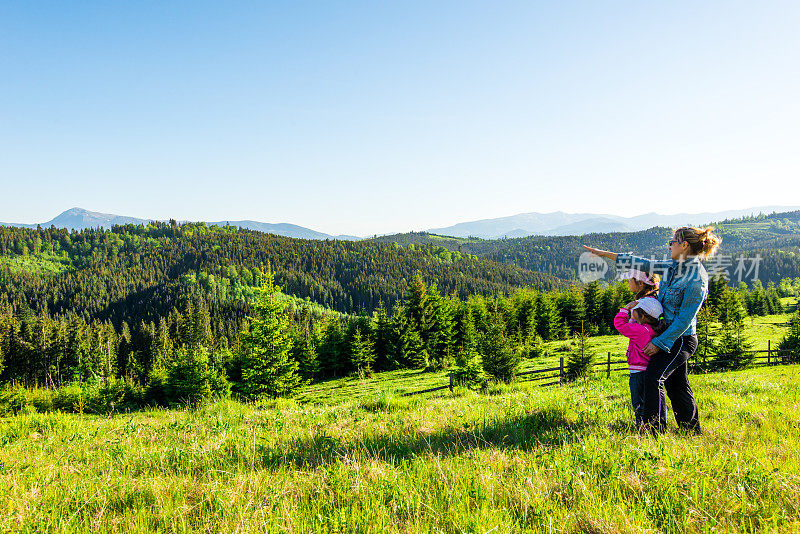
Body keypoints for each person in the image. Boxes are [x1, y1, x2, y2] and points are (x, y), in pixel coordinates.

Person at [582, 226, 721, 434]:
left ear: (684, 245)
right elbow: (643, 263)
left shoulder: (696, 279)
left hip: (681, 338)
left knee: (653, 377)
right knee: (677, 385)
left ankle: (652, 432)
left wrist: (659, 342)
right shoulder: (672, 266)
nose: (670, 245)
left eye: (672, 241)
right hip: (667, 334)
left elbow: (684, 320)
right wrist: (606, 254)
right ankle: (691, 432)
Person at [613, 297, 665, 428]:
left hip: (638, 373)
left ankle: (642, 428)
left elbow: (620, 325)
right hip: (646, 369)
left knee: (638, 404)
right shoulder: (649, 329)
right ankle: (651, 426)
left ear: (643, 315)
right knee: (646, 401)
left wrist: (624, 309)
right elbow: (633, 326)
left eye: (634, 310)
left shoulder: (641, 331)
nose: (631, 311)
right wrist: (633, 315)